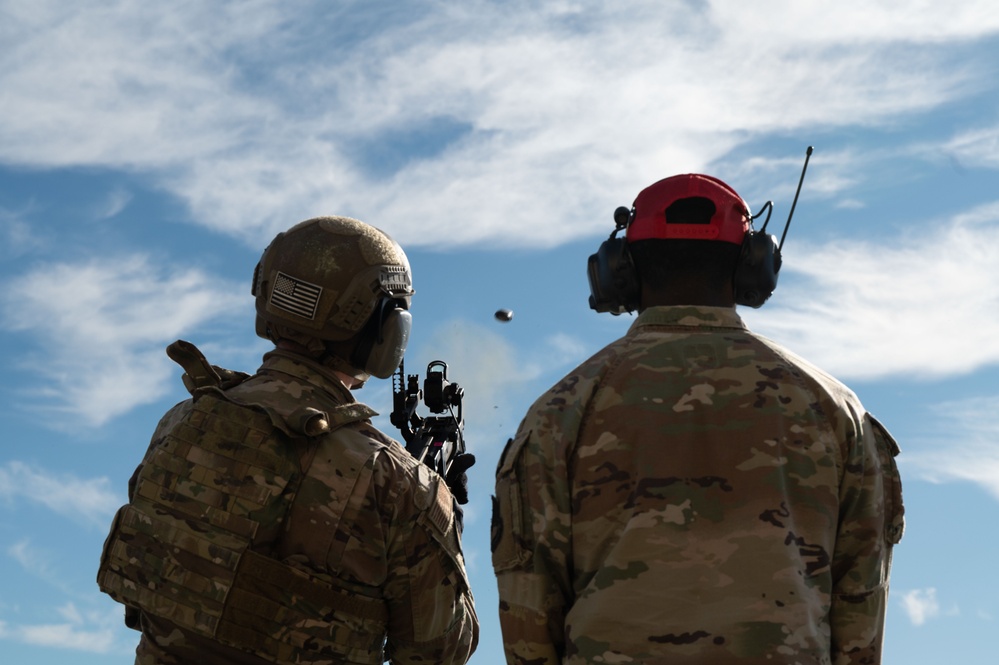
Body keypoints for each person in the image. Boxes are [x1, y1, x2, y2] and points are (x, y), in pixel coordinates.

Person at [491, 174, 904, 664]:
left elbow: (529, 621)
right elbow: (860, 622)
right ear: (754, 268)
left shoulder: (559, 413)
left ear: (619, 270)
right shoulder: (837, 412)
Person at [98, 216, 478, 665]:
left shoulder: (181, 422)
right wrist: (438, 510)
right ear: (385, 325)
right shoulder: (396, 484)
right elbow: (440, 650)